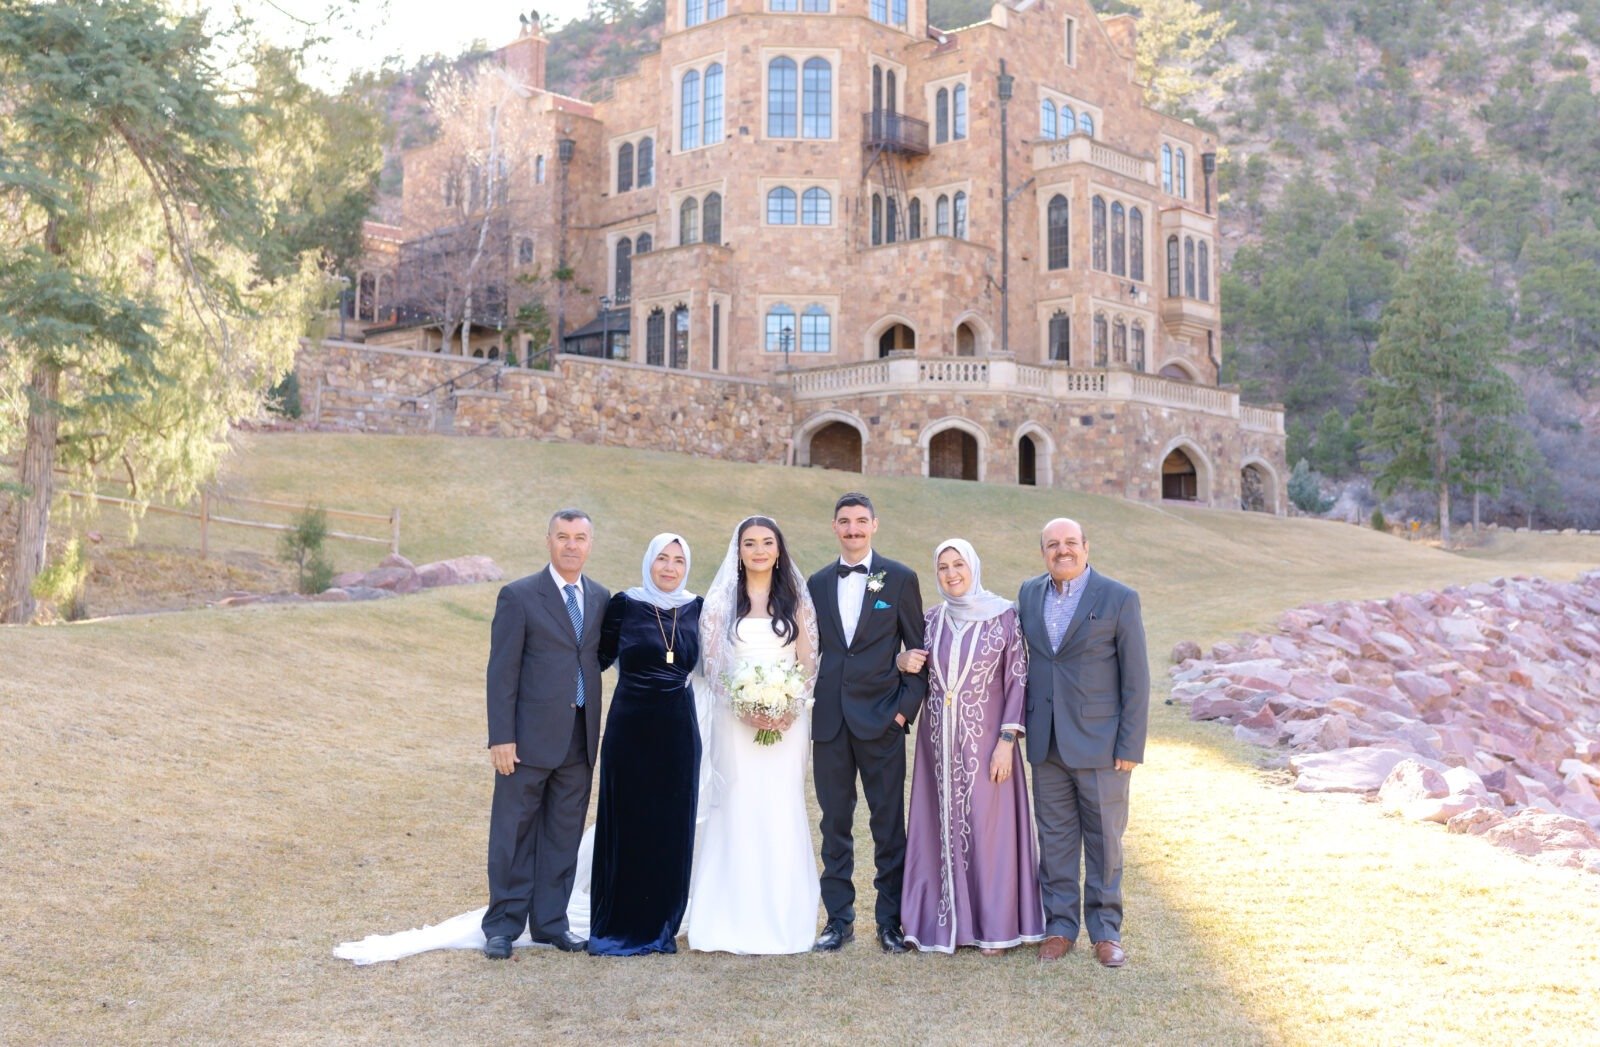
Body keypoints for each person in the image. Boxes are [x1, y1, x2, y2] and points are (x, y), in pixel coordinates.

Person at [897, 539, 1044, 955]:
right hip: (938, 748)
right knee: (939, 826)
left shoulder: (1003, 618)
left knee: (989, 832)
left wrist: (1006, 742)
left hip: (988, 744)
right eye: (942, 566)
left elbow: (1018, 679)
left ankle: (994, 926)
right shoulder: (931, 620)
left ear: (973, 567)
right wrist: (899, 661)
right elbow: (912, 666)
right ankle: (939, 921)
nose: (951, 573)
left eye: (958, 564)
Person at [1015, 518, 1148, 968]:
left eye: (1071, 543)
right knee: (1054, 840)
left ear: (1087, 547)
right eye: (1053, 544)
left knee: (1105, 841)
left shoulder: (1119, 598)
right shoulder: (1029, 595)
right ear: (1043, 553)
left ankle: (1106, 932)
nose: (1062, 551)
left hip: (1102, 744)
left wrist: (1130, 745)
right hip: (1046, 742)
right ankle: (1060, 927)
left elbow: (1137, 679)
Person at [686, 515, 822, 954]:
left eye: (767, 542)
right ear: (739, 551)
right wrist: (745, 706)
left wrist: (787, 706)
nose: (759, 550)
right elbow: (713, 664)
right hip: (735, 721)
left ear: (779, 550)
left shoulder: (796, 600)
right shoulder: (722, 602)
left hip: (788, 723)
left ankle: (783, 918)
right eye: (750, 543)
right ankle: (729, 918)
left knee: (780, 806)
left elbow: (808, 662)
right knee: (739, 806)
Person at [481, 508, 609, 959]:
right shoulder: (518, 596)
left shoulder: (599, 597)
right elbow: (502, 673)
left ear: (591, 544)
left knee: (563, 833)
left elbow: (596, 657)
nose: (571, 545)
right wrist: (501, 736)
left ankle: (551, 923)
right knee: (513, 832)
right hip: (526, 739)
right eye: (562, 536)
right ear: (548, 540)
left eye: (580, 537)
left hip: (579, 737)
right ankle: (502, 926)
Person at [807, 493, 926, 954]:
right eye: (844, 522)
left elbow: (920, 657)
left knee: (887, 825)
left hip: (882, 724)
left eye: (860, 521)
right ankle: (838, 921)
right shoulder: (817, 583)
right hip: (830, 725)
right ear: (834, 527)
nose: (853, 529)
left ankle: (890, 921)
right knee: (834, 824)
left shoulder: (899, 579)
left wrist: (900, 714)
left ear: (874, 524)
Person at [586, 534, 703, 956]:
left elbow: (720, 663)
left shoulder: (698, 607)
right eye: (661, 559)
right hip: (630, 727)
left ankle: (660, 925)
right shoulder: (624, 604)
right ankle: (618, 921)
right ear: (648, 562)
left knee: (670, 823)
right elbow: (591, 658)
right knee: (628, 820)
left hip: (678, 731)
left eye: (677, 560)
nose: (669, 568)